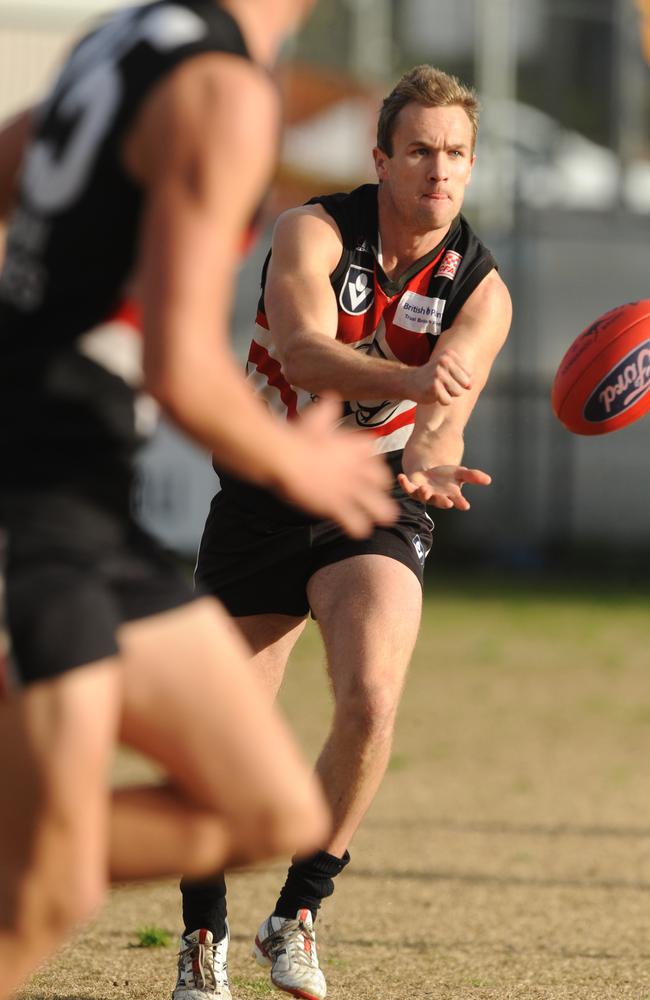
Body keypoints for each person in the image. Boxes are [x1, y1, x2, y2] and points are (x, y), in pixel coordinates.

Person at [0, 1, 400, 996]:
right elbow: (183, 365)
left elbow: (14, 156)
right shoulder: (221, 88)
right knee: (39, 881)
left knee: (267, 812)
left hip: (92, 503)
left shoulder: (127, 38)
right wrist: (294, 460)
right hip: (46, 494)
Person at [173, 64, 513, 1000]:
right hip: (265, 493)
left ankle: (300, 914)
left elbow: (447, 416)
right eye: (419, 150)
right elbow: (305, 353)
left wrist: (432, 460)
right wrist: (413, 385)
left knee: (370, 694)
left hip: (372, 500)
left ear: (472, 166)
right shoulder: (313, 230)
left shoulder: (482, 291)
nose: (438, 170)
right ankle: (202, 932)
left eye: (455, 154)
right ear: (382, 158)